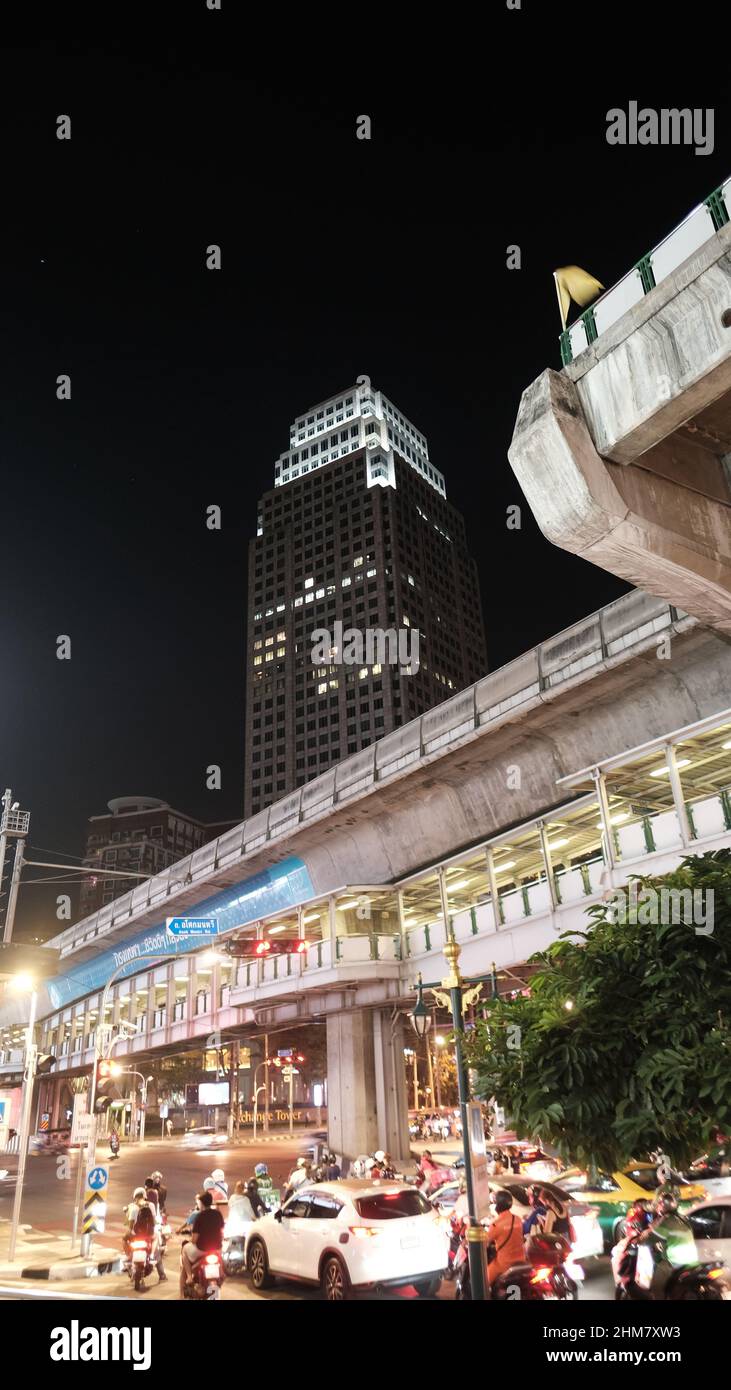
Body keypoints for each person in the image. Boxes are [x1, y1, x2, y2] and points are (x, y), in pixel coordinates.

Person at [179, 1191, 225, 1297]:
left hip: (201, 1250)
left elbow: (194, 1240)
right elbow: (222, 1231)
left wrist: (190, 1240)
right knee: (221, 1264)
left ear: (201, 1203)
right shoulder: (218, 1214)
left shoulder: (200, 1216)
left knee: (185, 1249)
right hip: (217, 1248)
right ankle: (221, 1273)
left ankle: (189, 1276)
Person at [486, 1190, 525, 1285]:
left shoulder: (496, 1224)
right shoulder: (518, 1219)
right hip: (521, 1260)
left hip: (504, 1263)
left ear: (497, 1205)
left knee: (484, 1279)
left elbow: (485, 1241)